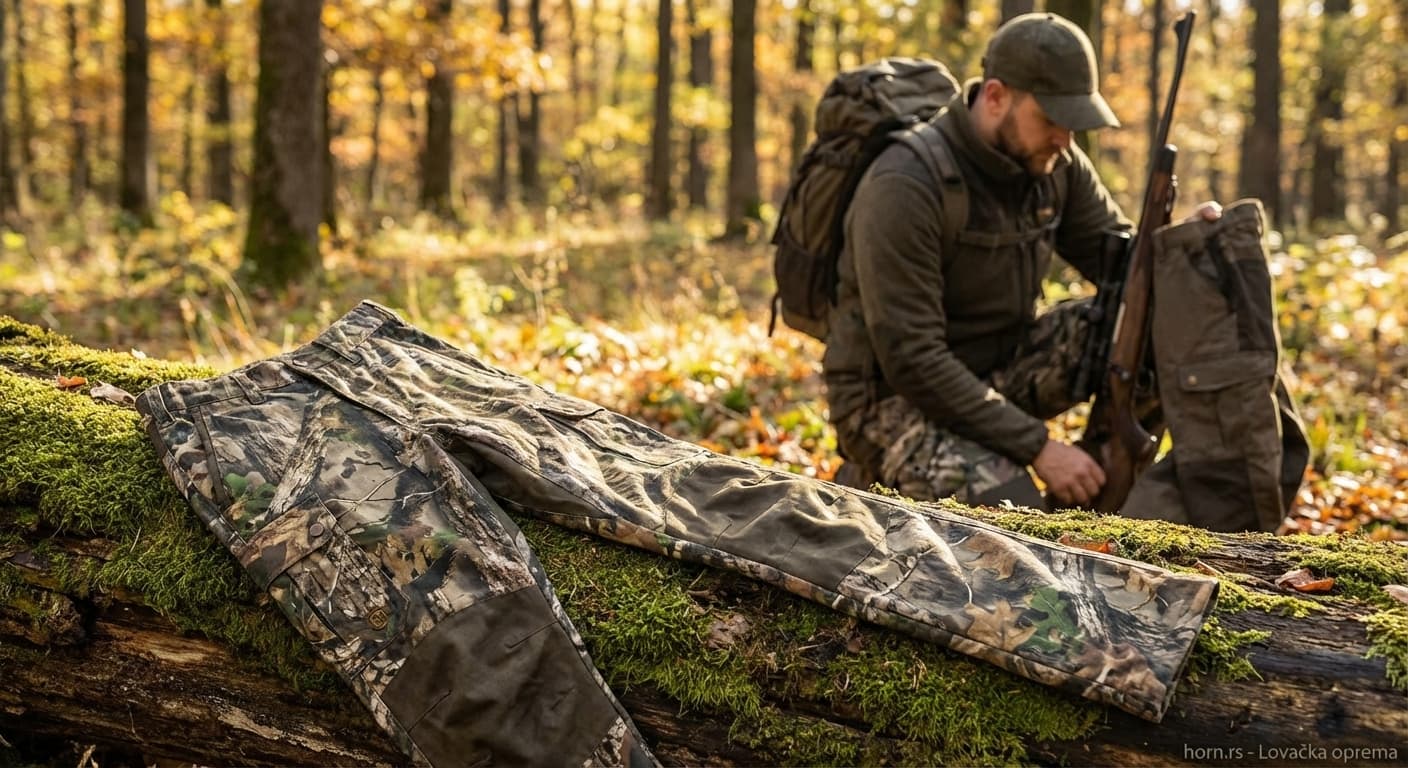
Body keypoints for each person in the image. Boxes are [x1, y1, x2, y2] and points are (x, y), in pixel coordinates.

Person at [824, 13, 1216, 509]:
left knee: (1155, 328)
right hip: (891, 400)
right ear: (994, 97)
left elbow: (1128, 272)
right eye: (1052, 119)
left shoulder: (1055, 164)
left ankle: (1099, 499)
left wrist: (1184, 245)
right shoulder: (904, 184)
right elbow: (913, 361)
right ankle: (875, 475)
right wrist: (1039, 448)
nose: (1065, 140)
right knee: (1015, 518)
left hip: (997, 369)